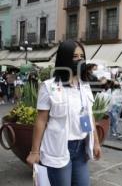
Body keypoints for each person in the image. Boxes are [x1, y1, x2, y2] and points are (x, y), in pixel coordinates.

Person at [26, 40, 101, 186]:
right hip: (58, 149)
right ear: (64, 58)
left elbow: (88, 116)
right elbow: (41, 120)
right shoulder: (49, 87)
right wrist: (34, 152)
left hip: (80, 149)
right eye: (74, 56)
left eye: (82, 56)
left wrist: (96, 142)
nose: (79, 60)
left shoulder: (84, 86)